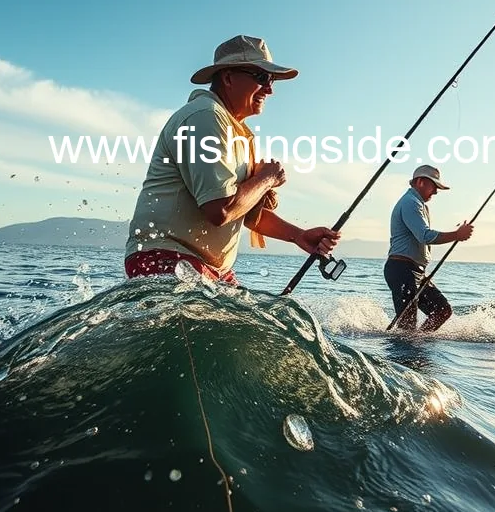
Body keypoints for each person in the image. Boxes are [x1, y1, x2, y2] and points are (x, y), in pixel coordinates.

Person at [124, 35, 340, 284]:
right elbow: (221, 210)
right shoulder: (205, 117)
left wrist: (299, 236)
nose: (269, 89)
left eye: (272, 80)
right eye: (262, 77)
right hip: (169, 259)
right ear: (227, 77)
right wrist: (267, 178)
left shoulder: (234, 131)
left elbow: (243, 211)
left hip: (207, 269)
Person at [385, 165, 474, 332]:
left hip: (415, 272)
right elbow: (425, 236)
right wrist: (457, 235)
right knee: (407, 328)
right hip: (402, 270)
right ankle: (407, 352)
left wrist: (457, 234)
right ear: (420, 182)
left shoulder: (417, 203)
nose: (435, 192)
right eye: (434, 186)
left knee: (442, 311)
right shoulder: (410, 203)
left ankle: (418, 343)